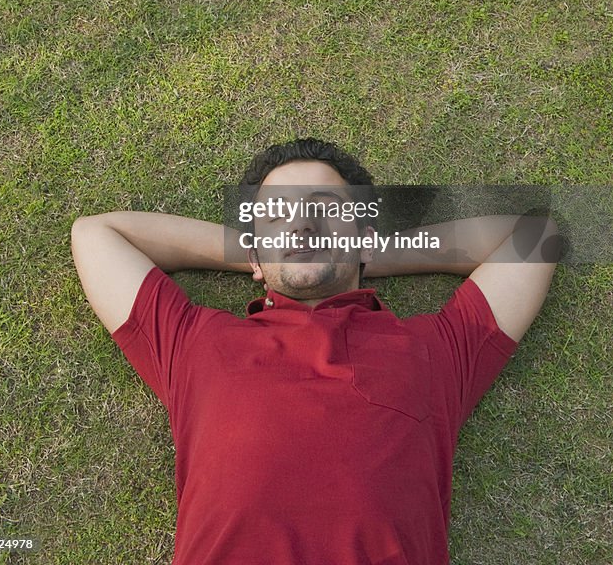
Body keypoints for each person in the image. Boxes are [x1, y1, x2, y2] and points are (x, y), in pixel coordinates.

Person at [71, 137, 559, 565]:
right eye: (278, 215)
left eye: (325, 208)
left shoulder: (436, 350)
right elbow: (96, 234)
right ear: (253, 255)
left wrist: (354, 253)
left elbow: (536, 237)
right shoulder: (194, 343)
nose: (302, 223)